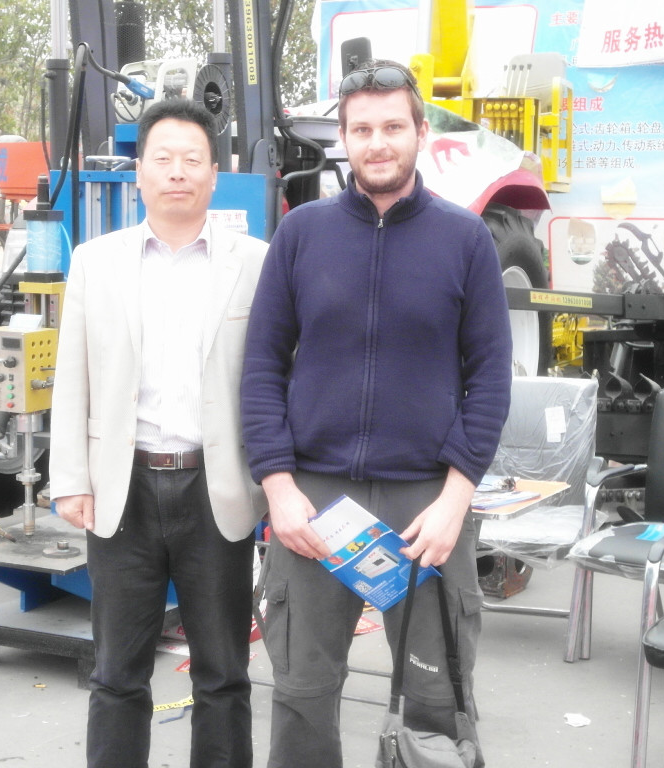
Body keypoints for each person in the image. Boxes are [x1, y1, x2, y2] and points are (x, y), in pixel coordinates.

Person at [241, 60, 512, 767]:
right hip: (315, 502)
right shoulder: (301, 235)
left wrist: (456, 500)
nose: (378, 142)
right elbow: (262, 366)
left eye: (393, 126)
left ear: (421, 133)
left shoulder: (465, 241)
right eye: (361, 129)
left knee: (436, 696)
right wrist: (278, 489)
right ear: (344, 138)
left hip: (425, 504)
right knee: (301, 690)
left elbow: (489, 378)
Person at [49, 97, 268, 768]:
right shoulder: (97, 262)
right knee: (117, 673)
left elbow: (273, 381)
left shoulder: (256, 263)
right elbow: (73, 375)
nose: (178, 172)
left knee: (223, 674)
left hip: (216, 490)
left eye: (192, 159)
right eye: (163, 158)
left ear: (215, 173)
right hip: (124, 491)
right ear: (139, 171)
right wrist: (71, 480)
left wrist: (271, 487)